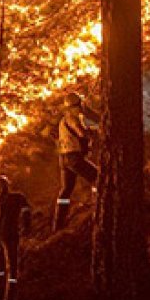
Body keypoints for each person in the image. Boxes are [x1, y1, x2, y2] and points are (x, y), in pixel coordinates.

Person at [54, 93, 98, 231]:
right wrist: (93, 134)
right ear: (76, 105)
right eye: (79, 105)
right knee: (98, 177)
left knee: (65, 191)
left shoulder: (63, 120)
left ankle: (58, 223)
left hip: (64, 159)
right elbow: (81, 133)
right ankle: (99, 205)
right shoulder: (72, 118)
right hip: (73, 158)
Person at [0, 175, 32, 300]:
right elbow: (26, 211)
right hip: (10, 237)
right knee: (12, 270)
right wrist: (26, 228)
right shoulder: (18, 197)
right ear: (8, 185)